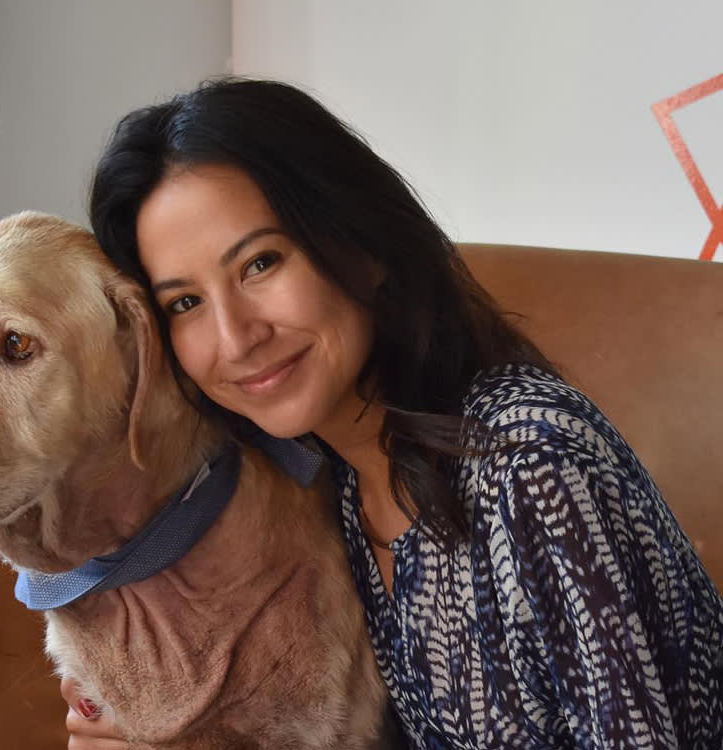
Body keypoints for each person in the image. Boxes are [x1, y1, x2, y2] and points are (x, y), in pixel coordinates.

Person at [62, 77, 723, 748]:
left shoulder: (528, 463)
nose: (235, 339)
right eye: (185, 303)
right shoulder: (339, 487)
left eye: (261, 263)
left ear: (362, 245)